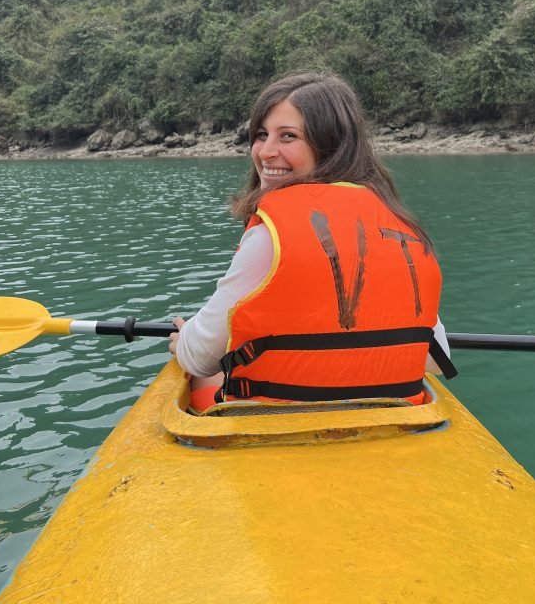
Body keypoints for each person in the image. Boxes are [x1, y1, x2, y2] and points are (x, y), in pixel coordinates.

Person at [169, 71, 453, 412]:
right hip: (391, 422)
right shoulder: (403, 229)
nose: (266, 152)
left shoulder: (268, 237)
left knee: (201, 376)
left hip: (274, 426)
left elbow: (199, 358)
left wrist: (184, 340)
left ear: (331, 145)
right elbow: (437, 359)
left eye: (288, 136)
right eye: (261, 135)